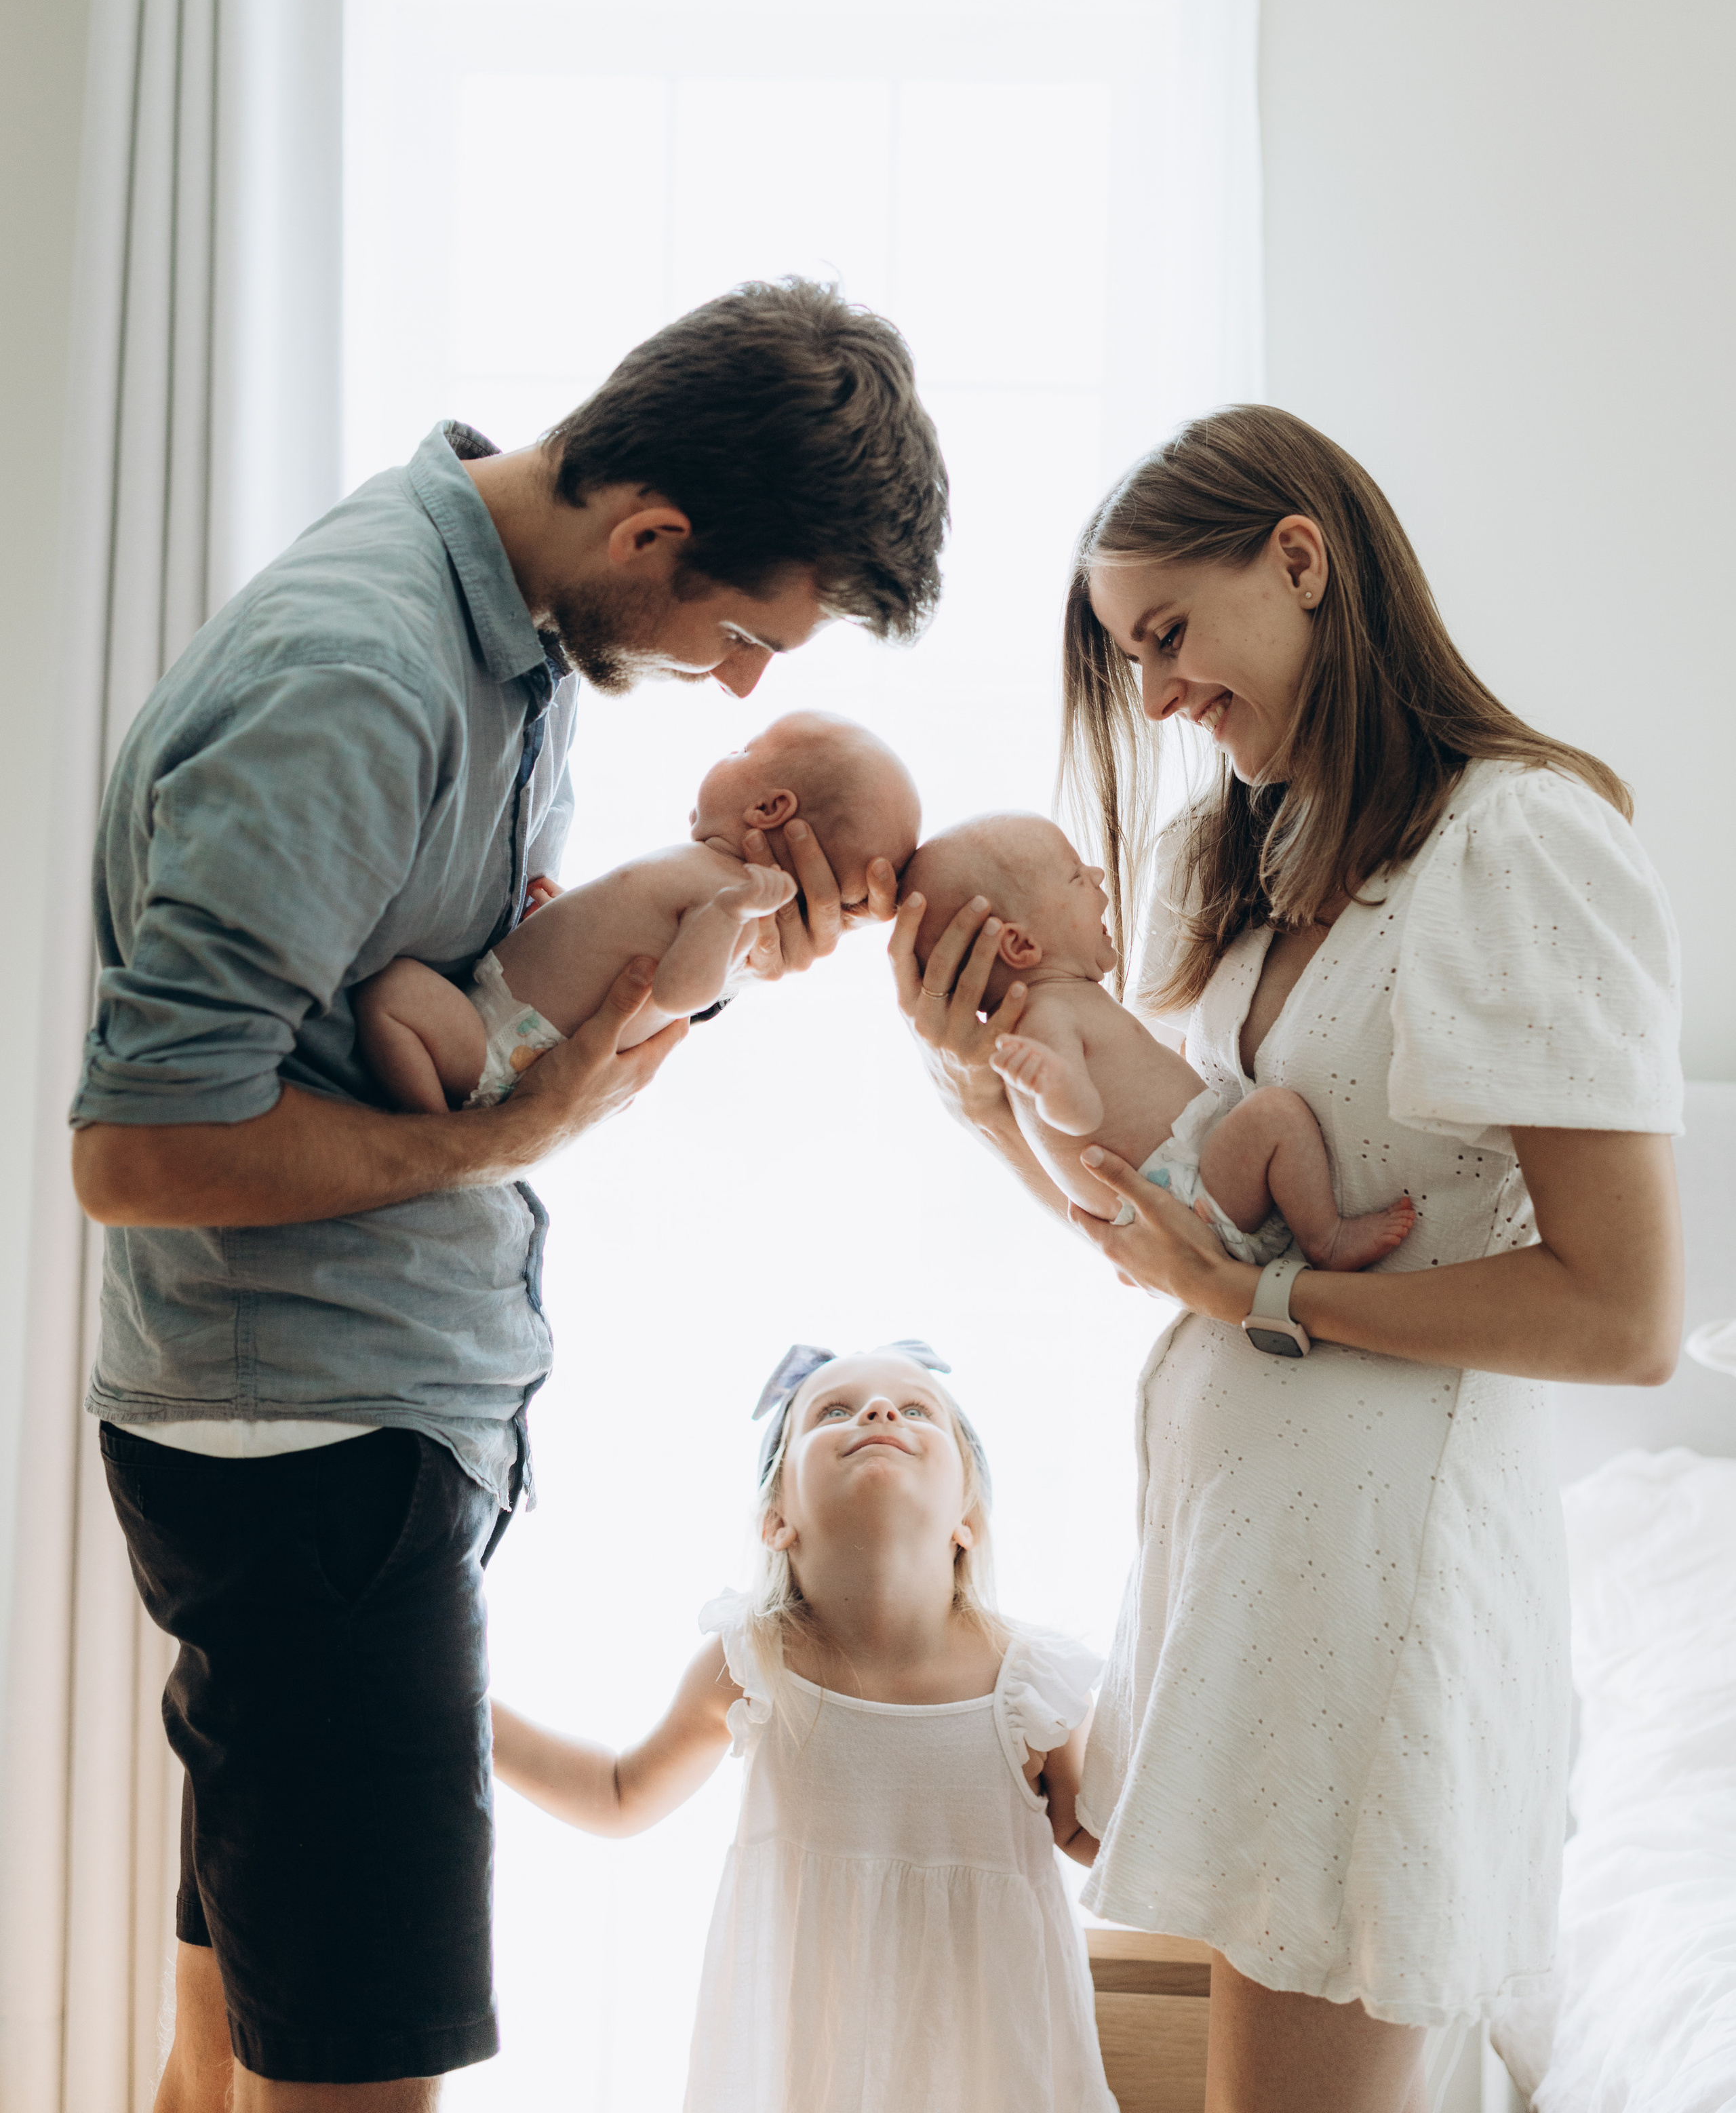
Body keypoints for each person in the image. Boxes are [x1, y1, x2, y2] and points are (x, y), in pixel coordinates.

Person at [71, 277, 949, 2113]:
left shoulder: (503, 643)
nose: (739, 686)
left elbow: (409, 1007)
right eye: (740, 633)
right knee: (357, 2082)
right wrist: (504, 1136)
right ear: (652, 531)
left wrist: (618, 996)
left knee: (223, 2055)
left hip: (315, 1435)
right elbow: (140, 1152)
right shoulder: (367, 673)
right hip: (310, 1460)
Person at [890, 404, 1683, 2113]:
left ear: (1301, 561)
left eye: (1167, 633)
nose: (1158, 695)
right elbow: (1171, 1237)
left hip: (1381, 1602)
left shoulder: (1515, 840)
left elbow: (1621, 1316)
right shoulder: (1269, 876)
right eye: (1128, 657)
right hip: (1264, 1591)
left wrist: (1264, 1297)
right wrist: (976, 1086)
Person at [491, 1343, 1116, 2113]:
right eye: (833, 1411)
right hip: (807, 2062)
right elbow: (617, 1793)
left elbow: (1099, 1840)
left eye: (916, 1409)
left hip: (987, 2059)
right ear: (775, 1519)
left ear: (969, 1520)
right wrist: (456, 1710)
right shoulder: (753, 1662)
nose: (880, 1412)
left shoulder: (1031, 1682)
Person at [904, 810, 1414, 1269]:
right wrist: (1050, 1083)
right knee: (1275, 1113)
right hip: (1187, 1196)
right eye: (1078, 877)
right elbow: (1079, 1115)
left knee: (1267, 1118)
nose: (1099, 878)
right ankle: (1326, 1237)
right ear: (1020, 944)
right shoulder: (1043, 1019)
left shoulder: (1070, 1001)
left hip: (1189, 1190)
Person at [357, 714, 920, 1111]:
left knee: (389, 994)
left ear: (770, 808)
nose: (729, 752)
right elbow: (625, 949)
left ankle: (434, 1126)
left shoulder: (741, 905)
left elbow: (680, 994)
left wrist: (728, 913)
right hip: (511, 1026)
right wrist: (571, 922)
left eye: (744, 749)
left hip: (496, 1047)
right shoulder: (715, 877)